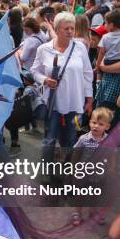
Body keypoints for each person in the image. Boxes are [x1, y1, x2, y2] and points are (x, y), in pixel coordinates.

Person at [30, 12, 94, 163]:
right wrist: (45, 80)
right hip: (53, 103)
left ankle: (67, 169)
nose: (70, 31)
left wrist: (89, 99)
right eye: (66, 29)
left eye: (72, 28)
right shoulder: (44, 49)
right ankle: (46, 169)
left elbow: (87, 74)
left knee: (70, 139)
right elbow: (34, 71)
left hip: (74, 102)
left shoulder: (80, 48)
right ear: (57, 29)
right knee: (49, 139)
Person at [71, 107, 113, 225]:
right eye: (93, 122)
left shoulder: (109, 141)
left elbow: (111, 155)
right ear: (89, 122)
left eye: (100, 124)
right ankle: (78, 213)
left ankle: (93, 212)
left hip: (99, 174)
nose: (96, 126)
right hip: (83, 173)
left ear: (107, 126)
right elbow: (76, 153)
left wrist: (111, 168)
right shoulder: (83, 139)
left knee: (96, 195)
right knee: (81, 195)